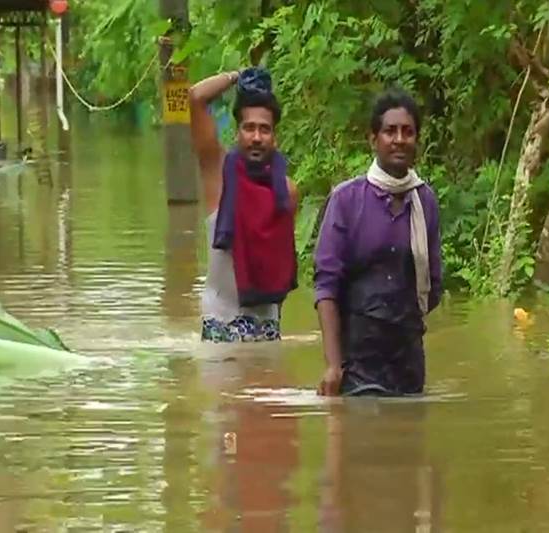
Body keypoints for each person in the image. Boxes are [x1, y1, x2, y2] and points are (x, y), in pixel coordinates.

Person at [313, 89, 443, 396]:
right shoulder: (346, 200)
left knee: (409, 439)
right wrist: (333, 366)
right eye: (390, 131)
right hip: (357, 362)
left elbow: (432, 286)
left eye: (408, 132)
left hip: (408, 363)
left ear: (417, 142)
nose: (399, 139)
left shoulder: (425, 202)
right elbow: (326, 287)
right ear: (374, 140)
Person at [189, 67, 299, 343]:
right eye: (249, 128)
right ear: (237, 132)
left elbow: (281, 262)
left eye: (265, 129)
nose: (257, 137)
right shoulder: (219, 174)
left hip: (268, 329)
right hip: (220, 329)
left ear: (275, 137)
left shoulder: (287, 191)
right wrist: (239, 76)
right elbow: (195, 97)